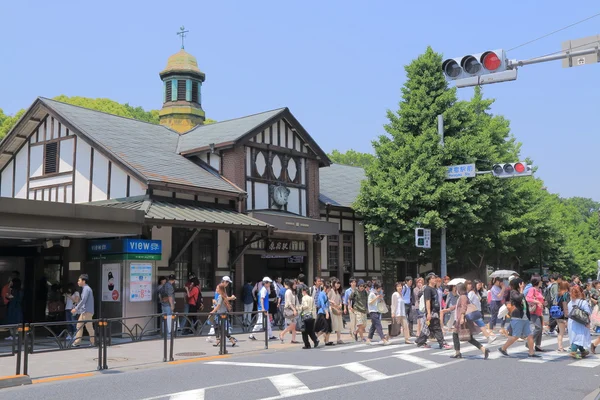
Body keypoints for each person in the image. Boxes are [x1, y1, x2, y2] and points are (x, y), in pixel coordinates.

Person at [498, 278, 540, 358]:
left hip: (524, 317)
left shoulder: (521, 293)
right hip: (517, 317)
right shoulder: (513, 292)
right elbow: (518, 298)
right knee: (516, 336)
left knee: (530, 335)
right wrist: (521, 290)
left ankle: (531, 353)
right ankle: (503, 348)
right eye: (522, 284)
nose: (523, 285)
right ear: (519, 284)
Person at [450, 283, 489, 359]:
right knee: (469, 338)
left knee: (455, 334)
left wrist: (461, 317)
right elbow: (460, 306)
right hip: (462, 319)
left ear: (459, 289)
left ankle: (457, 352)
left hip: (462, 319)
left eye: (457, 289)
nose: (456, 290)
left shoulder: (463, 297)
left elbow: (464, 307)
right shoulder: (462, 296)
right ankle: (483, 349)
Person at [416, 274, 450, 349]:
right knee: (436, 327)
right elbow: (427, 301)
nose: (435, 280)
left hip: (435, 311)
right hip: (431, 312)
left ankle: (420, 341)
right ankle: (442, 343)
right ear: (429, 280)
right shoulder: (428, 289)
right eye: (433, 278)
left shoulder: (434, 289)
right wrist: (428, 313)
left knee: (427, 328)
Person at [210, 283, 237, 348]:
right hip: (223, 314)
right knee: (220, 328)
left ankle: (227, 340)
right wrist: (215, 302)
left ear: (220, 289)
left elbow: (219, 306)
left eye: (217, 288)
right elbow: (220, 304)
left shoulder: (220, 296)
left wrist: (212, 312)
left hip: (221, 315)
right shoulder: (223, 295)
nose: (216, 289)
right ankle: (223, 340)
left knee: (220, 328)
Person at [71, 274, 95, 347]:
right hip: (85, 311)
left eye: (79, 280)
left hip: (87, 311)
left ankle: (93, 342)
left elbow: (83, 300)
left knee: (89, 327)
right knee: (79, 326)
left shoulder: (86, 289)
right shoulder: (86, 289)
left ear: (83, 281)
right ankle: (77, 342)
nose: (78, 282)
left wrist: (76, 308)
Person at [568, 285, 591, 359]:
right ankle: (573, 351)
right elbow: (587, 313)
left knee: (575, 336)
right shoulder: (583, 302)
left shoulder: (570, 302)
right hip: (581, 322)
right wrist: (588, 322)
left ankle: (583, 351)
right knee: (579, 337)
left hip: (572, 321)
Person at [526, 275, 546, 352]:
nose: (541, 282)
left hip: (539, 311)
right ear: (537, 281)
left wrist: (544, 303)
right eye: (540, 280)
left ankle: (538, 345)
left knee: (540, 329)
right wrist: (537, 302)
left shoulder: (539, 290)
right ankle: (529, 342)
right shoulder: (532, 289)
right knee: (538, 328)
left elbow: (540, 299)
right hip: (534, 311)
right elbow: (528, 298)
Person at [279, 279, 299, 344]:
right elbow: (289, 302)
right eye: (294, 284)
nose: (296, 285)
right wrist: (294, 309)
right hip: (289, 310)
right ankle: (282, 333)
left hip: (293, 309)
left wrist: (298, 308)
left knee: (294, 325)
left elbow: (296, 301)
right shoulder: (288, 291)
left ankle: (293, 339)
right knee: (293, 325)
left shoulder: (293, 292)